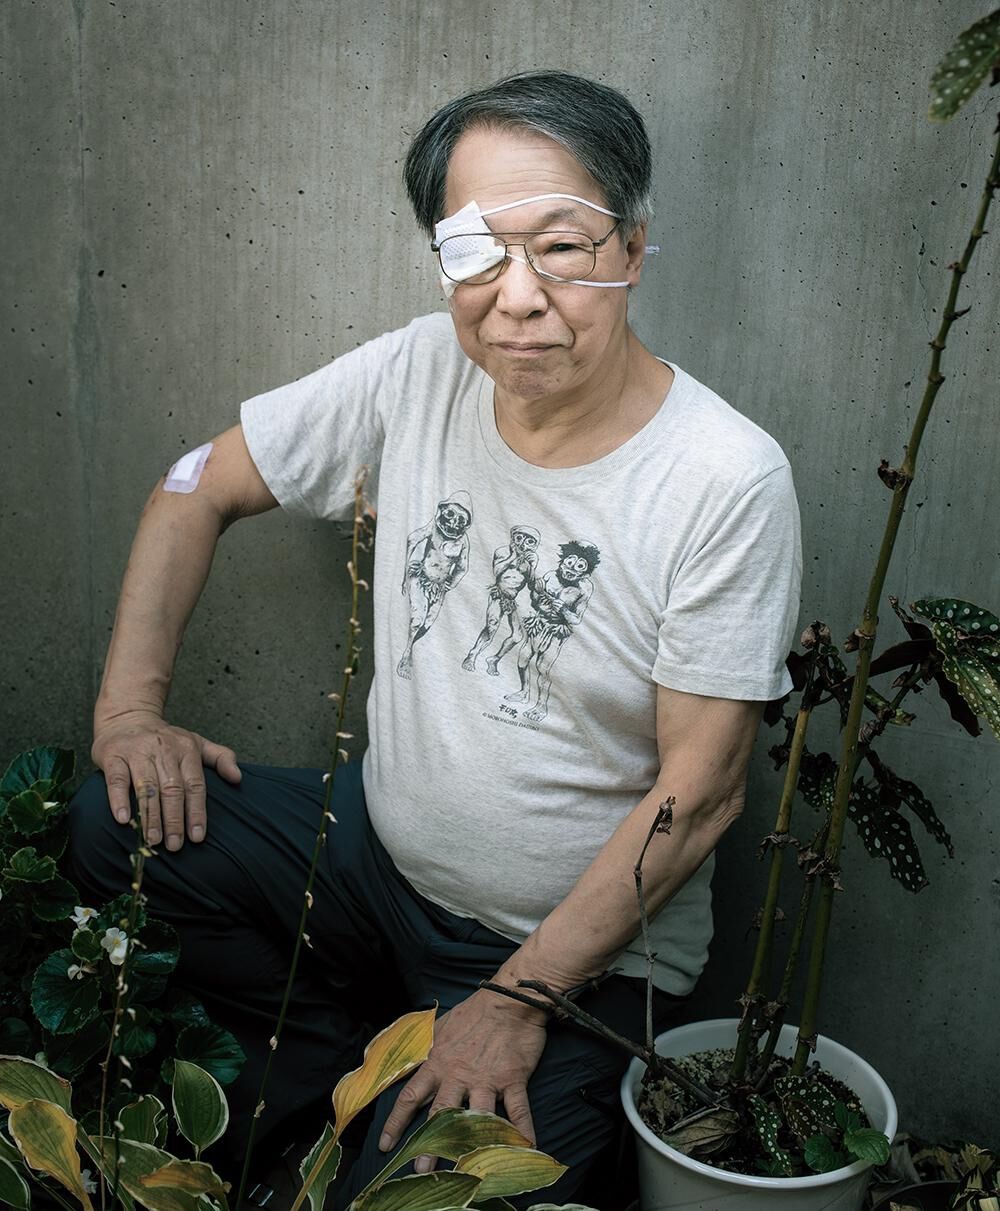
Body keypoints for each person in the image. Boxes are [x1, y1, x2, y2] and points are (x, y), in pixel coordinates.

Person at [69, 70, 802, 1207]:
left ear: (631, 248)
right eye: (475, 254)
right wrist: (129, 712)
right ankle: (324, 1075)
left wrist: (516, 999)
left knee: (429, 1197)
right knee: (116, 822)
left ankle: (430, 1081)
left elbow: (700, 794)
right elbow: (193, 483)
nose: (518, 298)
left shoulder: (723, 478)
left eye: (561, 247)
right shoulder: (420, 366)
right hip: (374, 862)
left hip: (574, 958)